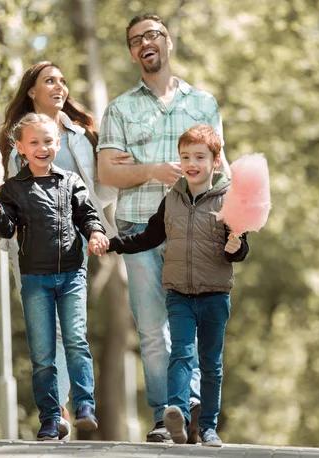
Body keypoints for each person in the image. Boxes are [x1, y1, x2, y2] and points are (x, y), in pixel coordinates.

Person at [96, 13, 230, 443]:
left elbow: (219, 166)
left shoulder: (203, 104)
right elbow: (107, 174)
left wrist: (234, 220)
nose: (144, 43)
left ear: (168, 43)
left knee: (192, 327)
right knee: (154, 329)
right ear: (133, 52)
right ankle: (163, 414)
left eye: (152, 35)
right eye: (135, 40)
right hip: (139, 225)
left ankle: (189, 408)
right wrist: (152, 170)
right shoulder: (120, 107)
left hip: (197, 230)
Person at [0, 61, 130, 439]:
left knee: (72, 335)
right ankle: (57, 412)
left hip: (73, 252)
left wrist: (97, 228)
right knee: (45, 339)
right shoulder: (17, 144)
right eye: (49, 80)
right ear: (32, 92)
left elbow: (96, 194)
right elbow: (9, 204)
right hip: (31, 255)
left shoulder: (79, 134)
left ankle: (72, 405)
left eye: (62, 80)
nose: (59, 86)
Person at [105, 125, 248, 447]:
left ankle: (209, 427)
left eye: (199, 156)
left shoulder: (229, 201)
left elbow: (240, 248)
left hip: (214, 295)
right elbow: (149, 237)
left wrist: (236, 246)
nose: (191, 163)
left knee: (211, 363)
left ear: (215, 161)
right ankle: (178, 416)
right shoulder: (172, 199)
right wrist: (113, 244)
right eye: (185, 157)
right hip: (179, 294)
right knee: (181, 354)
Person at [0, 113, 109, 440]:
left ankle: (84, 406)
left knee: (77, 340)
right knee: (41, 354)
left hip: (71, 275)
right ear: (20, 148)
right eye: (34, 142)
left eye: (48, 141)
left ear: (58, 143)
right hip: (35, 280)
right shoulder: (12, 189)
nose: (42, 147)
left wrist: (94, 234)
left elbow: (88, 215)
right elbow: (7, 229)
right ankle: (50, 417)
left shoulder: (71, 181)